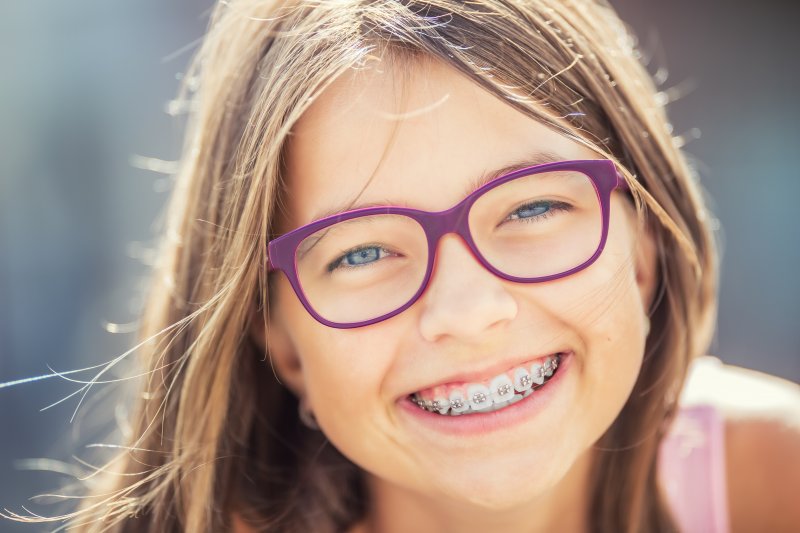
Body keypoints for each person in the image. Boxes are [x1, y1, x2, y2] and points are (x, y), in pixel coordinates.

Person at [4, 1, 798, 532]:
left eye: (532, 209)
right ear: (280, 341)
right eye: (362, 251)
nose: (465, 307)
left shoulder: (772, 479)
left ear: (644, 249)